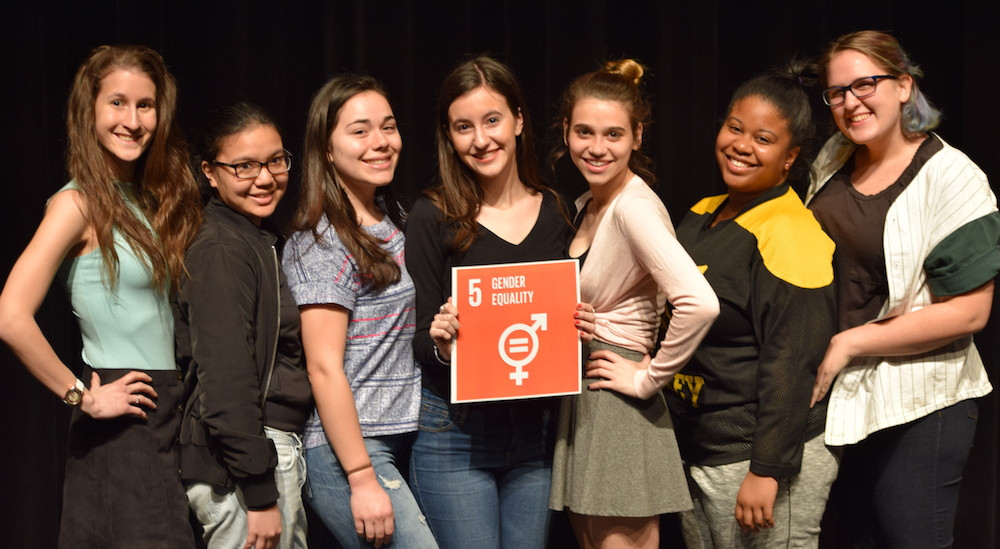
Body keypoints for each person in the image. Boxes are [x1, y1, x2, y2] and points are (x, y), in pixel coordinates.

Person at [0, 45, 200, 547]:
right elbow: (10, 316)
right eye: (117, 103)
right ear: (88, 110)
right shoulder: (76, 204)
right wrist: (82, 396)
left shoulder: (150, 200)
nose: (132, 121)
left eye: (145, 105)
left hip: (168, 409)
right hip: (125, 415)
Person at [806, 30, 1000, 549]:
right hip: (846, 401)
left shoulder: (953, 177)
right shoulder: (834, 156)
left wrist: (852, 340)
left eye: (865, 84)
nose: (851, 102)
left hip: (921, 403)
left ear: (904, 86)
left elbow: (969, 313)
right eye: (837, 92)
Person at [405, 55, 593, 549]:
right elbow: (420, 343)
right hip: (455, 435)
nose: (481, 139)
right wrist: (443, 344)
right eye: (463, 127)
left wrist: (581, 329)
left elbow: (563, 330)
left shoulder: (557, 211)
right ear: (449, 136)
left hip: (535, 435)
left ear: (519, 121)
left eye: (492, 120)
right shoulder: (431, 215)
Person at [664, 63, 840, 548]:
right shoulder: (700, 214)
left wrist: (767, 468)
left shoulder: (790, 232)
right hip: (701, 448)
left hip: (756, 457)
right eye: (735, 128)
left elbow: (793, 359)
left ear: (790, 157)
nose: (742, 145)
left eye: (763, 139)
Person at [547, 59, 720, 549]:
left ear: (637, 137)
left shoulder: (634, 208)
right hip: (587, 391)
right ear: (566, 131)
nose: (597, 147)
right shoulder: (585, 204)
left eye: (613, 134)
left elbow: (699, 302)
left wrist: (649, 378)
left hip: (617, 394)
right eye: (584, 132)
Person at [282, 75, 437, 549]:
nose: (381, 141)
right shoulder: (319, 243)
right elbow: (323, 368)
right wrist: (361, 477)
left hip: (405, 435)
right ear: (327, 150)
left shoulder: (396, 221)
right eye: (360, 131)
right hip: (349, 450)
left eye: (388, 127)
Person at [174, 102, 313, 549]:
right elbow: (225, 376)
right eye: (244, 166)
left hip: (265, 451)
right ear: (210, 173)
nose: (265, 177)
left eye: (275, 161)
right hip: (240, 468)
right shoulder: (220, 248)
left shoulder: (256, 237)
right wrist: (259, 492)